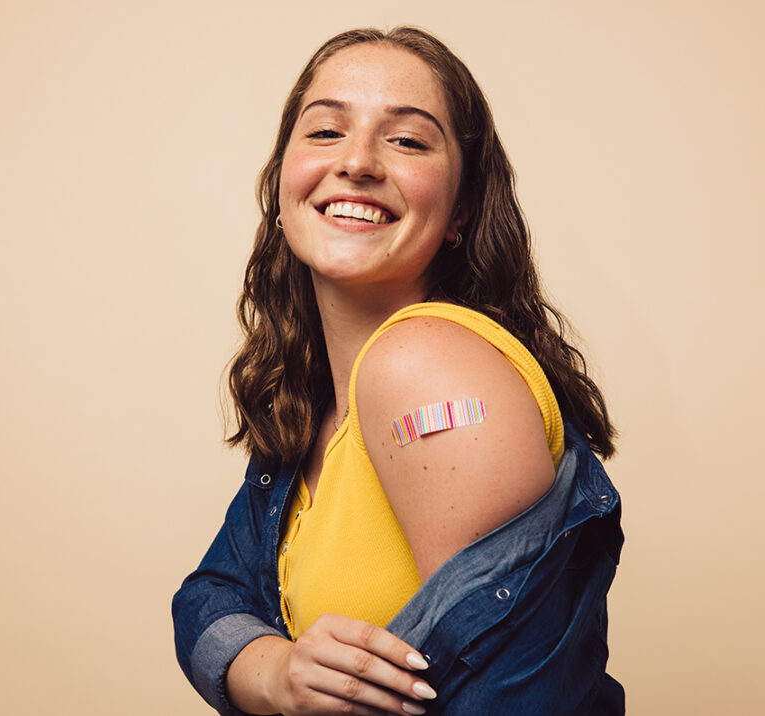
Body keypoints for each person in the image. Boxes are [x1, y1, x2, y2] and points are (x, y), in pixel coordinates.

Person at [173, 26, 624, 716]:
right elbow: (209, 598)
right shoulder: (312, 400)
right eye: (324, 131)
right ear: (282, 179)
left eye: (407, 140)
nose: (356, 162)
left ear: (462, 211)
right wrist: (280, 675)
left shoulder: (421, 364)